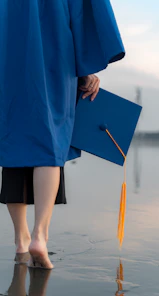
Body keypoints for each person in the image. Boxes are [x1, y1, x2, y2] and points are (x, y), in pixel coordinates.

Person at [0, 0, 125, 269]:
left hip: (7, 54)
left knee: (13, 140)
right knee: (50, 140)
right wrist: (84, 67)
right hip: (56, 52)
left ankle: (21, 242)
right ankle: (39, 238)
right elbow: (84, 12)